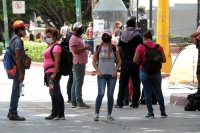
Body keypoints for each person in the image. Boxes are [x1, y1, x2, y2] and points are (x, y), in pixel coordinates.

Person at [133, 30, 167, 118]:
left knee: (147, 93)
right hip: (156, 72)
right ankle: (163, 112)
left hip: (144, 71)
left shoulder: (140, 46)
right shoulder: (158, 47)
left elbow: (135, 60)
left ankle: (150, 113)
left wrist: (142, 61)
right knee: (158, 92)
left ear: (144, 38)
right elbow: (163, 60)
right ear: (151, 38)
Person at [92, 30, 122, 121]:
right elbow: (93, 61)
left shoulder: (114, 48)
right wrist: (97, 70)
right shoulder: (98, 48)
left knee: (110, 95)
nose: (105, 37)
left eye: (107, 36)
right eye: (104, 35)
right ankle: (96, 114)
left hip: (111, 75)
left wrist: (116, 70)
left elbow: (119, 61)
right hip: (101, 74)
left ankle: (109, 114)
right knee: (100, 94)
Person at [114, 18, 143, 108]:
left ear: (126, 26)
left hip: (125, 62)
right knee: (136, 82)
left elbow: (119, 49)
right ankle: (135, 103)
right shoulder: (139, 36)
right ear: (135, 26)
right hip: (136, 62)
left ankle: (120, 102)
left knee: (123, 82)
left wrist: (120, 61)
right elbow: (141, 50)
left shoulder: (123, 36)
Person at [7, 20, 29, 121]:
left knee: (15, 90)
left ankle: (11, 111)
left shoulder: (13, 39)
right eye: (24, 29)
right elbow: (17, 57)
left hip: (16, 68)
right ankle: (13, 113)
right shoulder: (18, 41)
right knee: (16, 91)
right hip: (17, 69)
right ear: (20, 30)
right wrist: (21, 72)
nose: (25, 30)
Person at [43, 27, 65, 120]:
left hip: (52, 73)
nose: (47, 38)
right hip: (49, 72)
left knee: (53, 93)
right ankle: (60, 114)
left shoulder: (56, 47)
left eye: (49, 36)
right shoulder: (51, 46)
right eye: (46, 36)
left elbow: (57, 61)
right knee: (57, 93)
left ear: (55, 37)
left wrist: (54, 74)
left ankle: (54, 113)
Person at [69, 22, 91, 109]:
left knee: (75, 82)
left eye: (81, 27)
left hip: (79, 62)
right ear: (74, 29)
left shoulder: (78, 38)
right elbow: (75, 51)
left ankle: (74, 101)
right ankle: (79, 101)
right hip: (78, 63)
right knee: (78, 83)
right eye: (79, 28)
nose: (81, 29)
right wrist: (85, 48)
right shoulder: (74, 38)